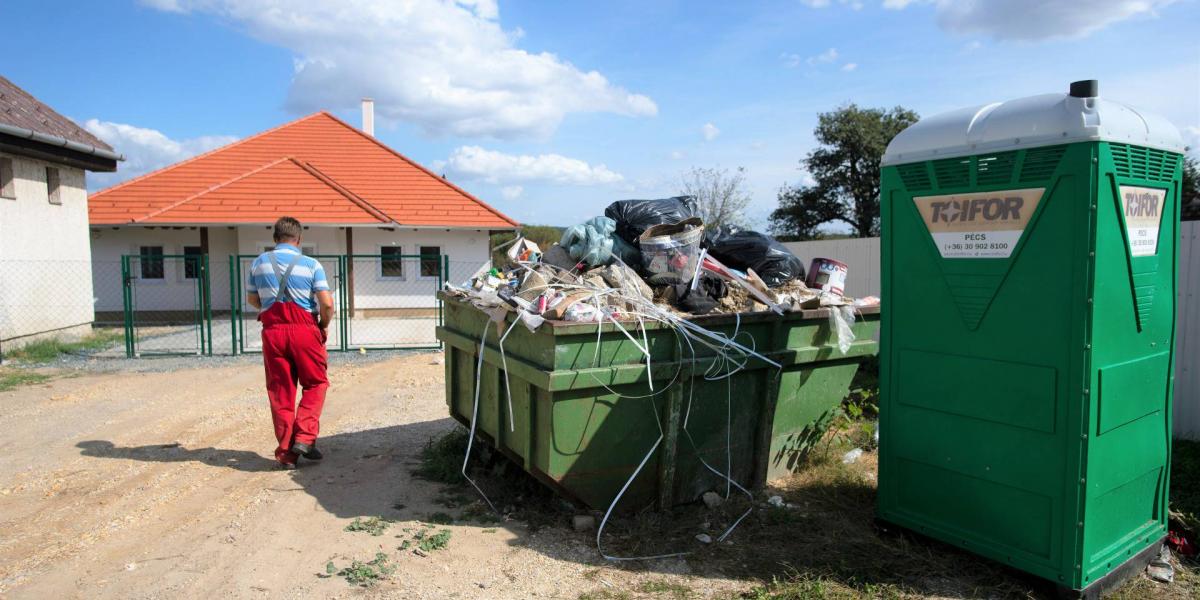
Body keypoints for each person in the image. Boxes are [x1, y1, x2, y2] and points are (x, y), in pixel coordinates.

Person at [246, 217, 335, 469]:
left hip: (273, 332)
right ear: (299, 239)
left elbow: (253, 299)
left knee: (280, 390)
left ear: (275, 239)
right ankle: (305, 438)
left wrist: (269, 307)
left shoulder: (258, 264)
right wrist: (324, 324)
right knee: (316, 382)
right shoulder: (311, 264)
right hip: (305, 330)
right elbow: (326, 303)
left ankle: (287, 453)